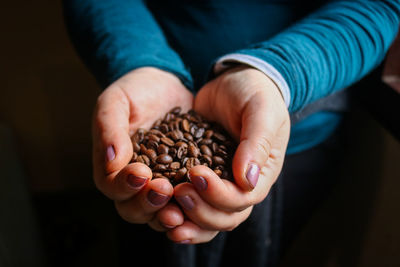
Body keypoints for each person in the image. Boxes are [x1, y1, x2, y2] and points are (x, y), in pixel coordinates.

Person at [63, 1, 400, 266]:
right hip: (144, 110)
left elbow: (383, 4)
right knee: (148, 238)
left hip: (303, 131)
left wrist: (277, 72)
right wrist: (138, 61)